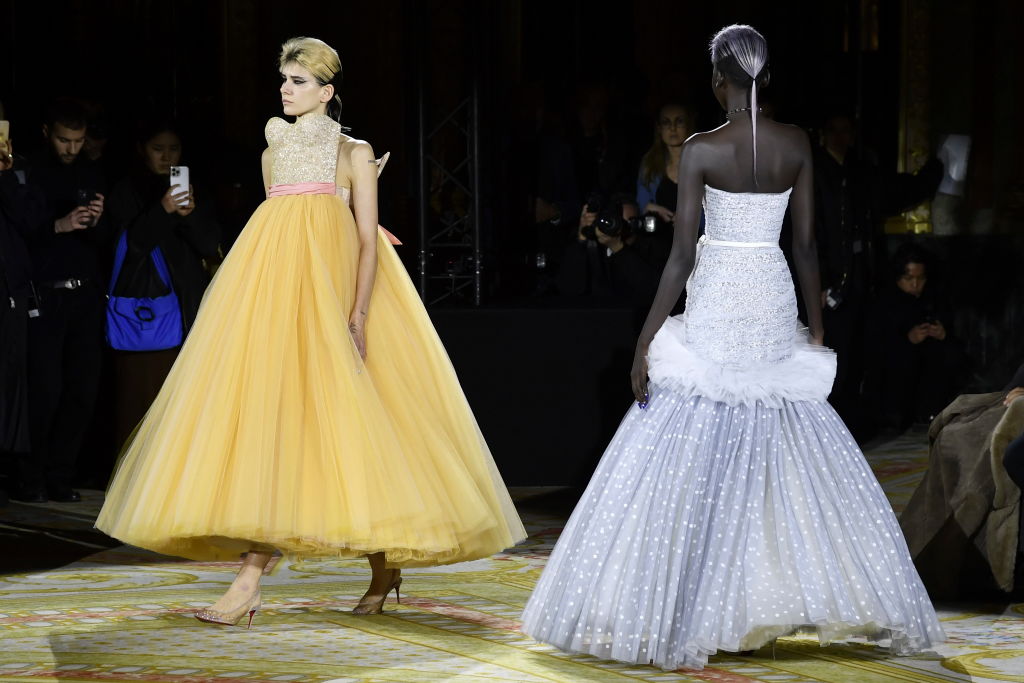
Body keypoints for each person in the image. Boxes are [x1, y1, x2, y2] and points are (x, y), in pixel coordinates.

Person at [521, 25, 943, 670]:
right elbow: (806, 247)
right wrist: (817, 326)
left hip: (720, 291)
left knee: (698, 432)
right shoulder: (795, 143)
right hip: (770, 290)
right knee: (775, 435)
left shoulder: (700, 150)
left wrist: (644, 343)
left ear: (718, 81)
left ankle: (692, 603)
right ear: (763, 79)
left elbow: (681, 256)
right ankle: (758, 593)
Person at [95, 37, 525, 626]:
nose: (284, 89)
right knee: (286, 424)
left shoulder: (354, 151)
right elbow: (276, 223)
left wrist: (360, 312)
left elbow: (368, 238)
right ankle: (261, 577)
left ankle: (363, 567)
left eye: (297, 81)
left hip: (338, 294)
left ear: (327, 91)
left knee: (364, 425)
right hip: (273, 297)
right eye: (283, 80)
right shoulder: (274, 146)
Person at [106, 120, 222, 450]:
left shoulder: (191, 186)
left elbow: (210, 243)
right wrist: (162, 210)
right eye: (158, 149)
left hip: (189, 305)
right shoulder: (126, 190)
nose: (166, 157)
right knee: (142, 395)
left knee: (185, 398)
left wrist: (189, 214)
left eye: (173, 149)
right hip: (146, 310)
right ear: (142, 149)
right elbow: (129, 248)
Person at [16, 97, 108, 503]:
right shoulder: (29, 173)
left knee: (81, 390)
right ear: (47, 135)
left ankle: (60, 475)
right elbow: (21, 238)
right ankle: (30, 477)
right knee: (44, 391)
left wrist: (98, 221)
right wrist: (59, 224)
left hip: (85, 295)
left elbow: (107, 242)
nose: (71, 148)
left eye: (78, 140)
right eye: (64, 140)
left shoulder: (91, 171)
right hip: (45, 297)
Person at [869, 243, 967, 431]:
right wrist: (908, 339)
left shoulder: (933, 295)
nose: (915, 285)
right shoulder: (885, 302)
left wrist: (942, 334)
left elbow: (954, 333)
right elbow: (878, 344)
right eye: (908, 278)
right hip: (896, 368)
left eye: (920, 278)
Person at [636, 103, 694, 240]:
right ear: (659, 128)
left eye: (679, 121)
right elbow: (642, 203)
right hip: (658, 240)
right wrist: (650, 208)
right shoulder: (649, 164)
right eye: (666, 122)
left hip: (695, 241)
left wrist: (690, 219)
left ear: (689, 124)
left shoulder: (704, 161)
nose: (672, 128)